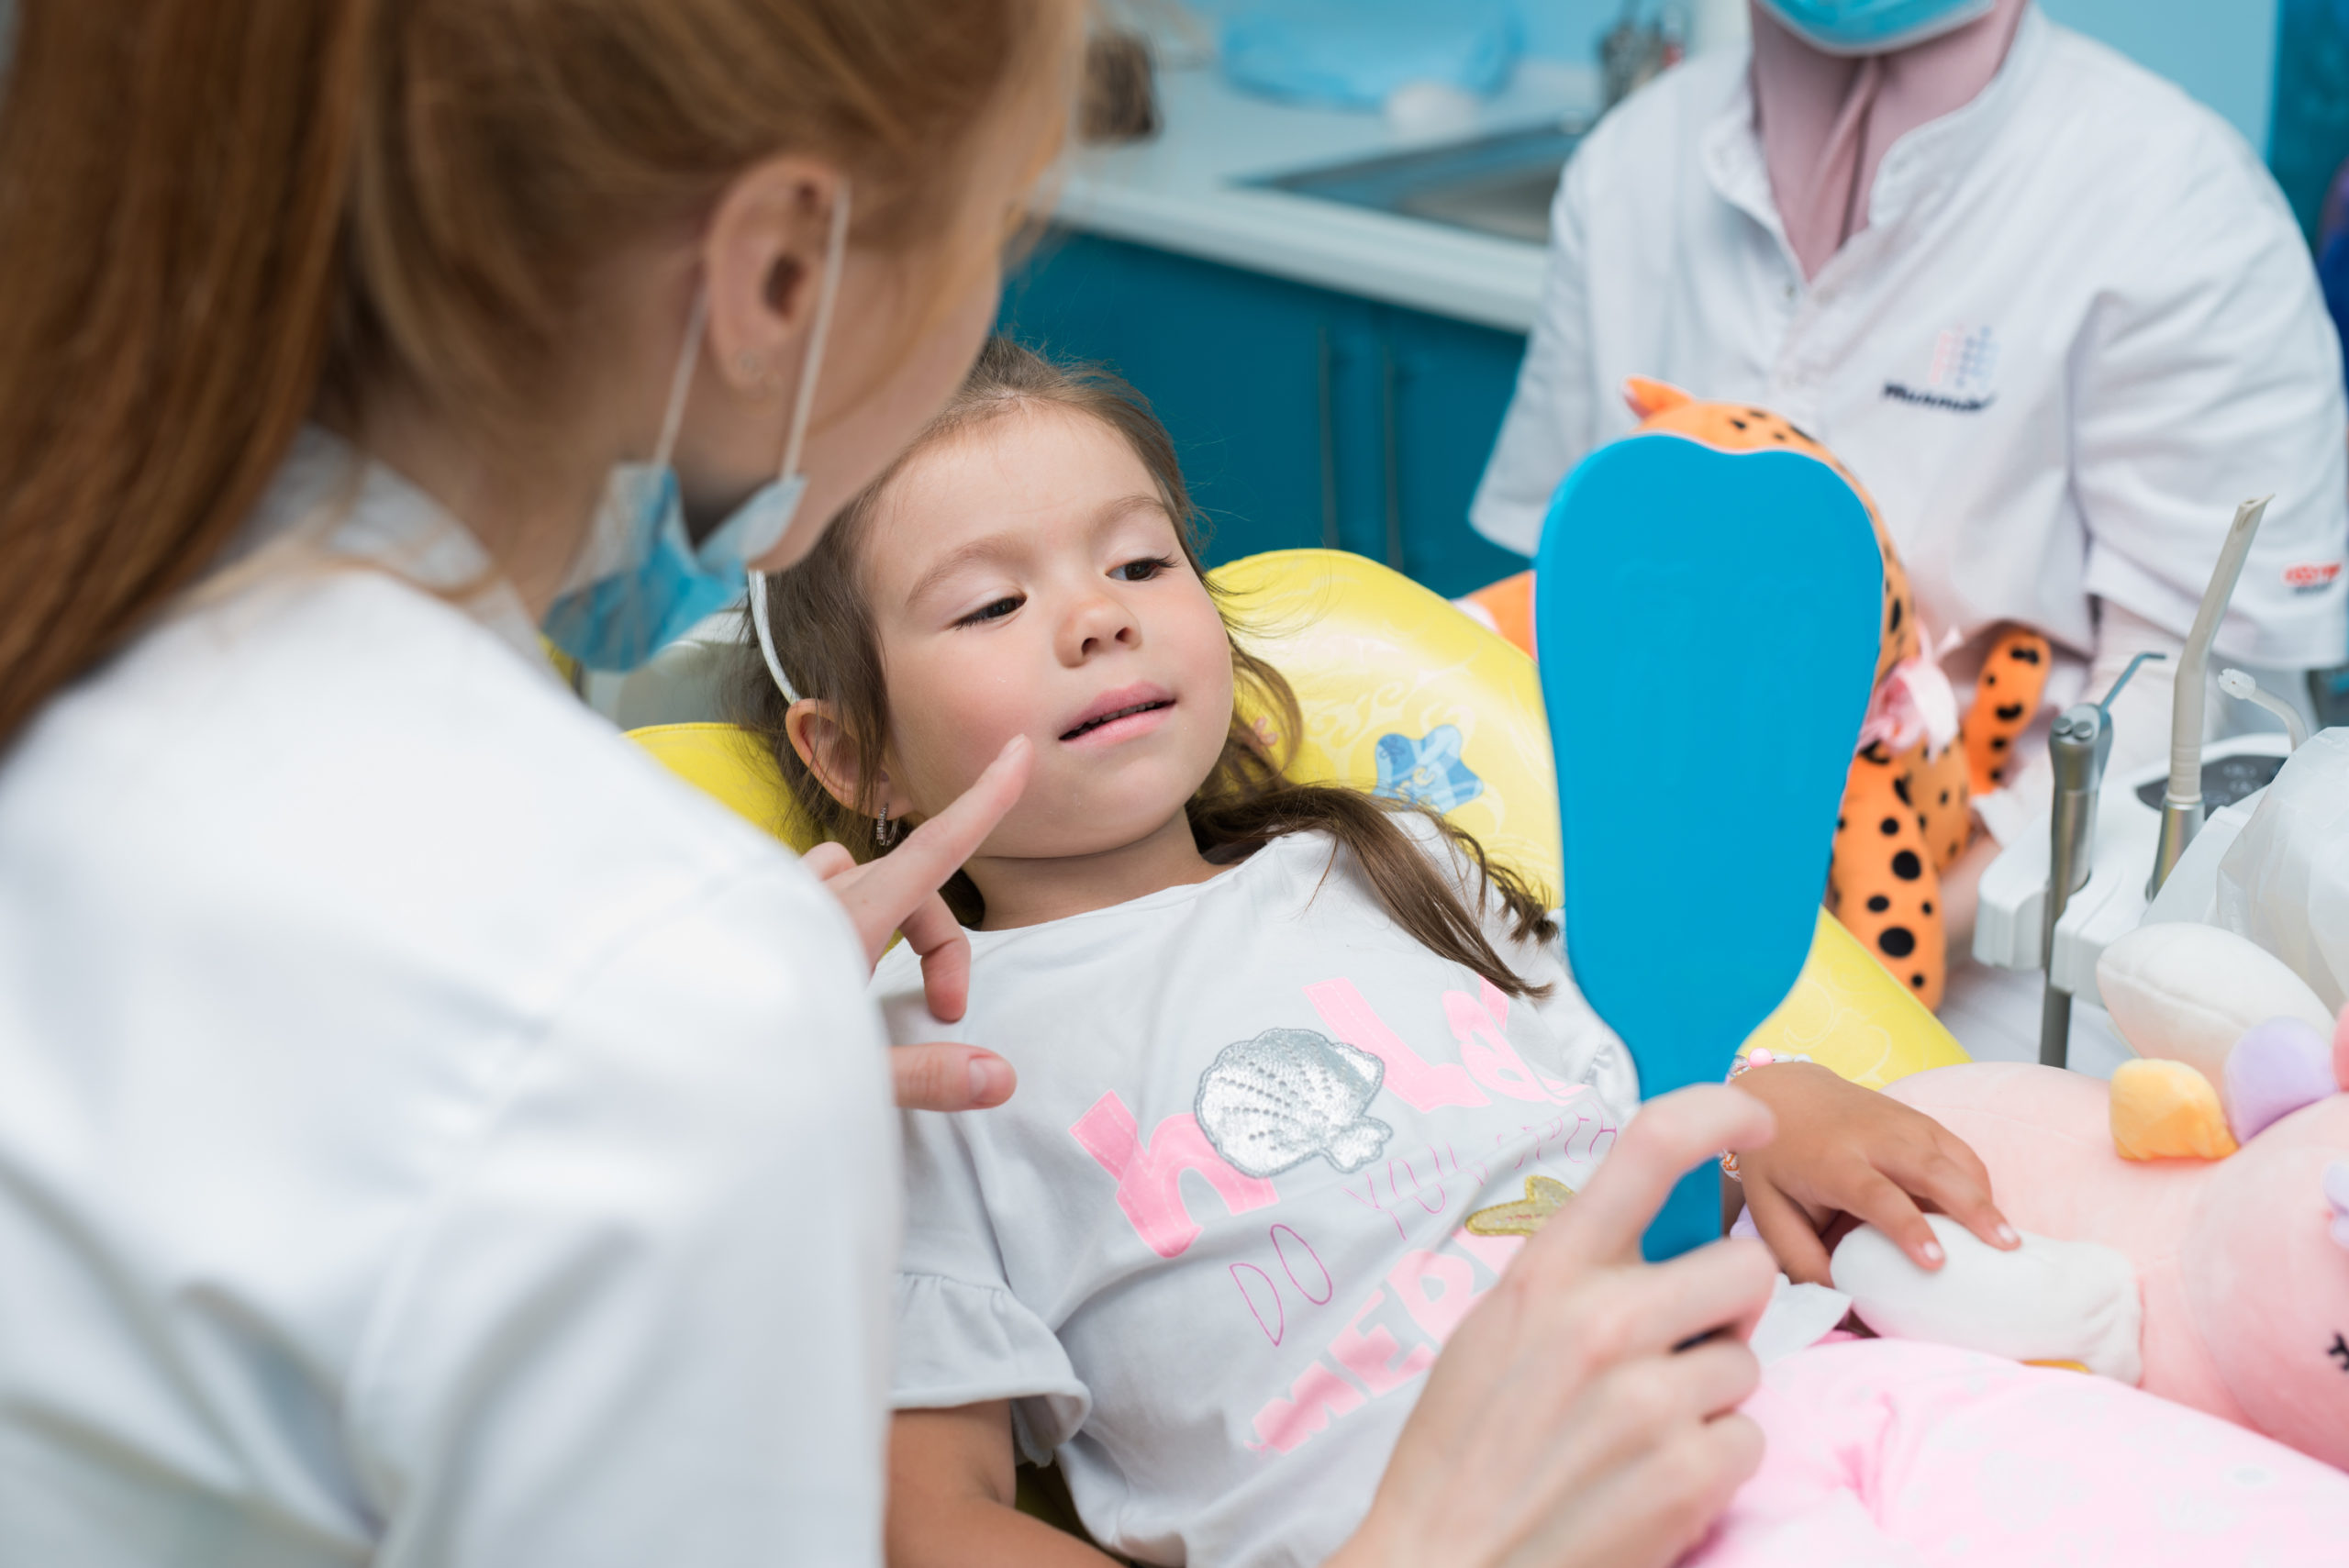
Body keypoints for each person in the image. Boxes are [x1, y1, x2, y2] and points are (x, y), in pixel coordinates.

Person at [0, 4, 1798, 1565]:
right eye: (993, 248)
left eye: (1137, 561)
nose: (1091, 617)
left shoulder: (124, 698)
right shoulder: (640, 991)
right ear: (782, 275)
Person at [739, 338, 2024, 1566]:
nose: (1096, 619)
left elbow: (1639, 1087)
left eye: (1140, 565)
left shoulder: (1387, 862)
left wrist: (1772, 1110)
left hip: (1783, 1393)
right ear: (852, 753)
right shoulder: (918, 1055)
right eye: (994, 601)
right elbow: (929, 1522)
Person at [1472, 0, 2349, 1056]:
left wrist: (1853, 942)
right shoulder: (1630, 164)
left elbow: (2195, 720)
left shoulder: (2178, 204)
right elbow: (1556, 599)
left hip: (2013, 967)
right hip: (1633, 902)